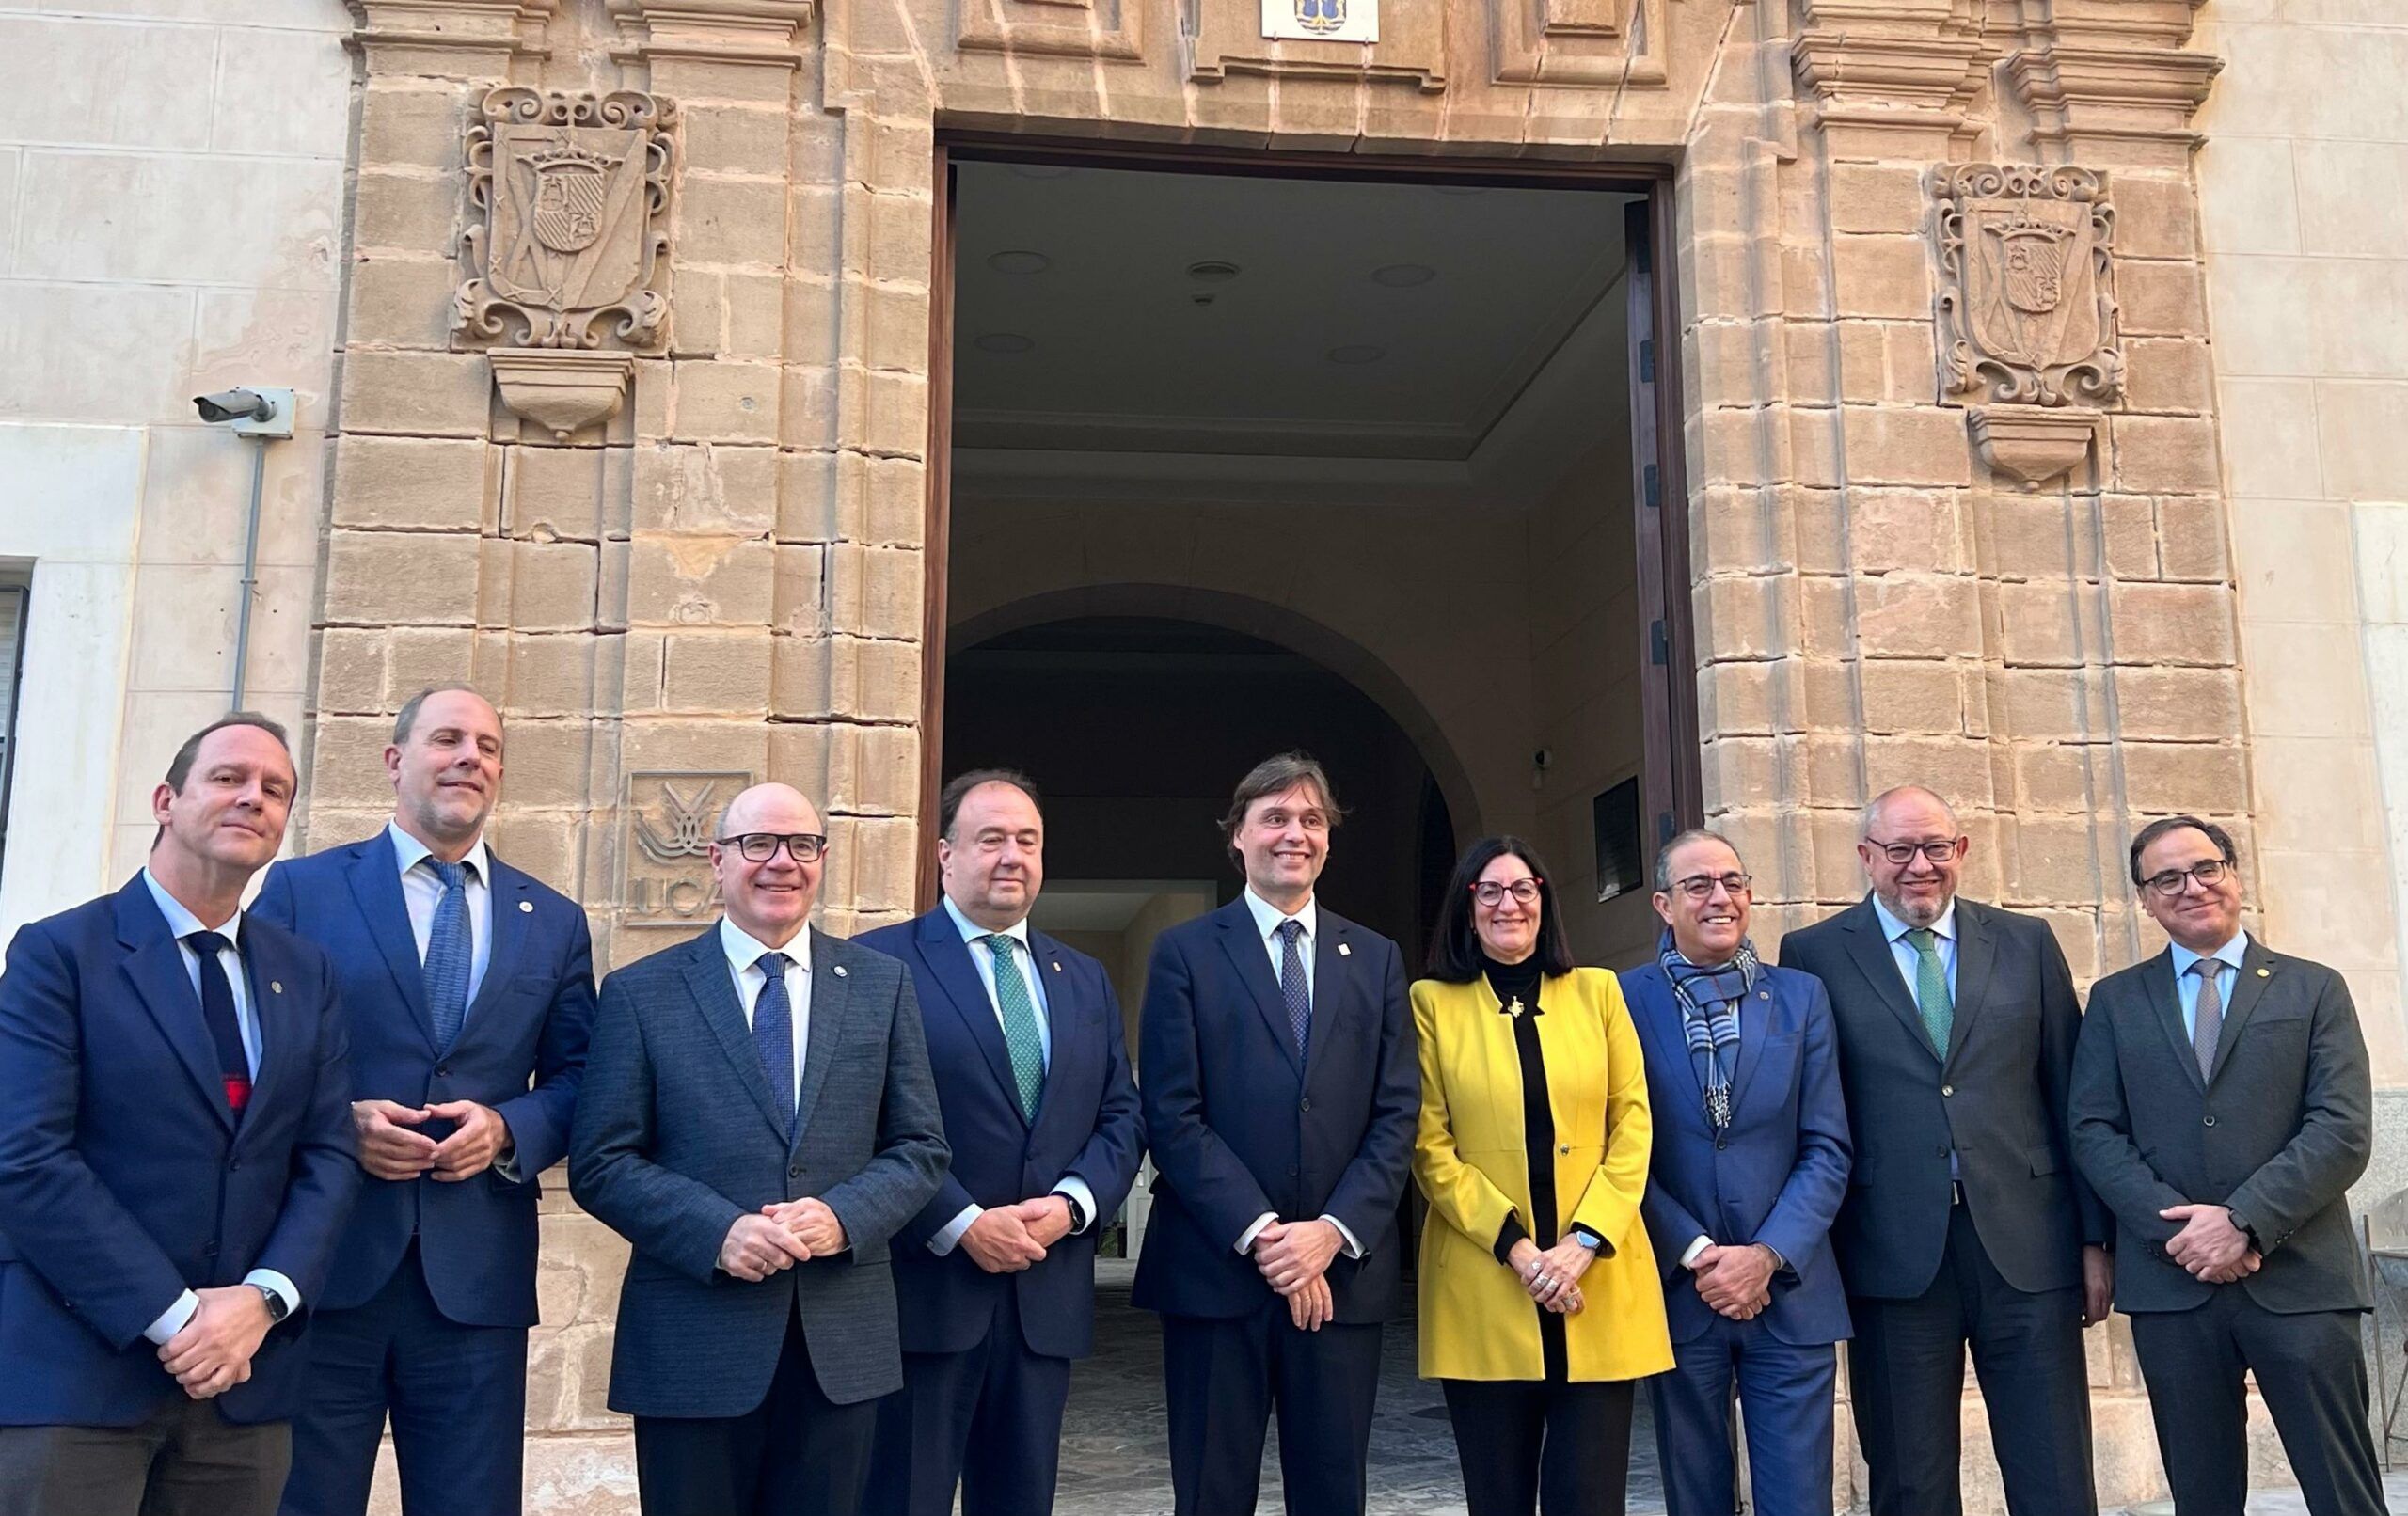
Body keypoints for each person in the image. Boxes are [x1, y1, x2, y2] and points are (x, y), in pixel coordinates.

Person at [0, 714, 359, 1516]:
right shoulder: (60, 954)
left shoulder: (306, 974)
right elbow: (25, 1158)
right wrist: (177, 1318)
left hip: (243, 1391)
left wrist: (264, 1299)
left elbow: (328, 1155)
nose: (252, 799)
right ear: (166, 800)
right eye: (228, 777)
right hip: (79, 1377)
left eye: (275, 790)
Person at [252, 687, 594, 1516]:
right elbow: (250, 1059)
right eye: (447, 739)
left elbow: (586, 1077)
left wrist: (510, 1128)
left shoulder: (552, 920)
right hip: (324, 1265)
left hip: (475, 1277)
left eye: (486, 745)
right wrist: (342, 1123)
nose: (469, 757)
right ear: (395, 761)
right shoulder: (300, 893)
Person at [567, 782, 948, 1516]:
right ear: (716, 860)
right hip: (694, 1344)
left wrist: (844, 1217)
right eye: (758, 845)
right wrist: (718, 1231)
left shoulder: (880, 986)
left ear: (822, 859)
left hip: (840, 1344)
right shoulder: (643, 992)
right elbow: (602, 1161)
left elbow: (920, 1147)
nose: (782, 862)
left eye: (802, 845)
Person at [1776, 784, 2110, 1516]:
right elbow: (1812, 1107)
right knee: (1910, 1478)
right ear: (1867, 857)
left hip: (2028, 1248)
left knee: (2054, 1469)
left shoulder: (2026, 943)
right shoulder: (1812, 955)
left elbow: (2072, 1101)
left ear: (1961, 851)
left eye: (1935, 848)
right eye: (1899, 850)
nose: (1919, 866)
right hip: (1890, 1255)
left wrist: (2094, 1240)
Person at [2070, 815, 2384, 1516]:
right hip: (2173, 1284)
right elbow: (2093, 1130)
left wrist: (2243, 1221)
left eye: (2206, 868)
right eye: (2168, 879)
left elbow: (2341, 1129)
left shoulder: (2313, 989)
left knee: (2343, 1491)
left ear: (2235, 876)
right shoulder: (2116, 1001)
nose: (2192, 887)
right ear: (2146, 900)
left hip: (2301, 1280)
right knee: (2201, 1496)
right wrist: (2180, 1232)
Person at [1133, 752, 1419, 1516]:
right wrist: (1266, 1235)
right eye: (1275, 818)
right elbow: (1172, 1113)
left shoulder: (1377, 958)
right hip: (1215, 1272)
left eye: (1311, 820)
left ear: (1328, 839)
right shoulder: (1185, 953)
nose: (1294, 834)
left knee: (1333, 1493)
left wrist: (1329, 1234)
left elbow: (1397, 1115)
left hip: (1341, 1279)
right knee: (1212, 1492)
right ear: (1238, 837)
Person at [857, 770, 1145, 1516]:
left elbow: (1121, 1115)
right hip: (925, 1294)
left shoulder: (1081, 979)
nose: (1011, 855)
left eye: (1027, 840)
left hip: (1044, 1296)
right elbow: (862, 1117)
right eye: (991, 839)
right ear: (945, 855)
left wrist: (1073, 1205)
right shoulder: (876, 965)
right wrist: (961, 1223)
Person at [1412, 836, 1670, 1516]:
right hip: (1485, 1286)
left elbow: (1633, 1123)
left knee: (1590, 1500)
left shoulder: (1599, 992)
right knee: (1496, 1500)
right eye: (1489, 891)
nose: (1508, 904)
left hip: (1598, 1283)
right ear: (1467, 908)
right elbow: (1429, 1145)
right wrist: (1521, 1251)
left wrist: (1583, 1242)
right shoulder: (1431, 1003)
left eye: (1524, 889)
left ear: (1544, 901)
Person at [1621, 829, 1850, 1516]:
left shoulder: (1802, 997)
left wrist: (1766, 1255)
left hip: (1791, 1293)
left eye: (1733, 882)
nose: (1720, 898)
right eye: (1698, 886)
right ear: (1663, 904)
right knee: (1696, 1499)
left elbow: (1827, 1145)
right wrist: (1697, 1252)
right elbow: (1619, 1148)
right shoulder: (1620, 1000)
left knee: (1798, 1500)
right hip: (1680, 1293)